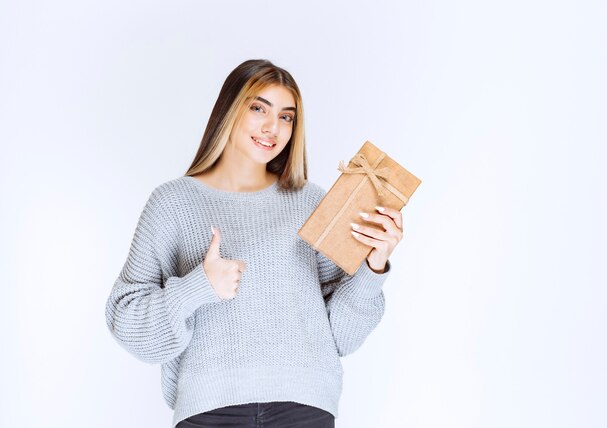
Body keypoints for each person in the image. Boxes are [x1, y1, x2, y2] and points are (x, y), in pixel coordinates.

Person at [105, 59, 405, 428]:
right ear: (229, 110)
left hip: (303, 406)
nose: (272, 127)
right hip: (210, 409)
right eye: (258, 108)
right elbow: (125, 320)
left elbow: (341, 336)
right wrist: (199, 286)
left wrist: (374, 267)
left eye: (286, 117)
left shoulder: (311, 202)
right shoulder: (172, 203)